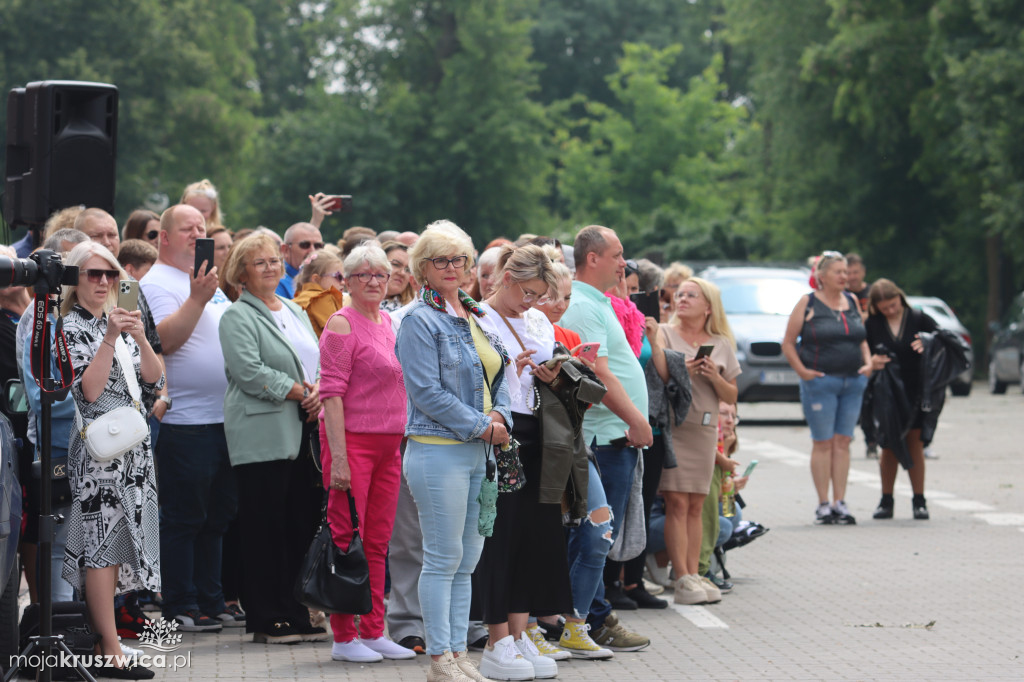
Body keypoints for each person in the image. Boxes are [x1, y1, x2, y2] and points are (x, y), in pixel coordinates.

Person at [395, 221, 513, 682]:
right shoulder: (417, 320)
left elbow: (498, 374)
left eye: (459, 259)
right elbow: (425, 392)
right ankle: (439, 658)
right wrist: (484, 426)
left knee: (467, 561)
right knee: (442, 559)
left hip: (478, 452)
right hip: (438, 450)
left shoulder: (475, 313)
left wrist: (501, 415)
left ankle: (459, 653)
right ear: (422, 268)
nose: (452, 268)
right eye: (440, 260)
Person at [60, 241, 164, 679]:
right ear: (75, 280)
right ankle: (109, 647)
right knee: (101, 549)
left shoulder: (117, 321)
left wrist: (137, 334)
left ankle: (110, 640)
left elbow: (154, 377)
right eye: (93, 274)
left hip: (133, 449)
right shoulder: (69, 326)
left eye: (111, 275)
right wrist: (109, 338)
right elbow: (90, 390)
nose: (104, 283)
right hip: (101, 453)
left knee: (121, 545)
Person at [218, 233, 326, 644]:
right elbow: (249, 371)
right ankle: (266, 616)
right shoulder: (237, 316)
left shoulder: (296, 312)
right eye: (258, 262)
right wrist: (300, 391)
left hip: (303, 432)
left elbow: (313, 359)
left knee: (298, 524)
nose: (270, 267)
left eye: (273, 261)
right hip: (262, 433)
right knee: (264, 527)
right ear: (241, 273)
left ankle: (296, 610)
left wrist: (317, 389)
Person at [140, 204, 239, 632]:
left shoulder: (206, 280)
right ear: (163, 237)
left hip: (222, 419)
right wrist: (198, 298)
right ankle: (180, 603)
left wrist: (205, 292)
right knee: (184, 517)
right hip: (183, 420)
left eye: (202, 228)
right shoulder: (157, 282)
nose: (198, 234)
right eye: (187, 228)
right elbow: (163, 340)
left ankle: (211, 598)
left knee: (217, 516)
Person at [317, 243, 413, 663]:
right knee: (346, 538)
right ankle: (343, 636)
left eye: (381, 274)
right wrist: (338, 457)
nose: (374, 281)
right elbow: (331, 394)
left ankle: (374, 629)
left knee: (378, 540)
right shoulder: (341, 324)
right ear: (349, 281)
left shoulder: (390, 321)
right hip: (351, 442)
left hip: (389, 445)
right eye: (365, 274)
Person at [559, 225, 652, 655]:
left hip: (613, 437)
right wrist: (635, 419)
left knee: (598, 534)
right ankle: (587, 620)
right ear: (591, 258)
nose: (624, 263)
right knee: (591, 534)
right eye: (617, 254)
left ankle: (591, 617)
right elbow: (597, 373)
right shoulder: (580, 304)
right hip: (601, 437)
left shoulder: (599, 301)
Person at [474, 245, 566, 680]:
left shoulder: (538, 320)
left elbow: (541, 373)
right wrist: (514, 366)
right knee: (501, 536)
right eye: (527, 292)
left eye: (539, 295)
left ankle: (518, 631)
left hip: (539, 431)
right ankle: (496, 640)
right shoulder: (477, 316)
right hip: (500, 432)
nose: (531, 302)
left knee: (533, 537)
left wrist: (551, 372)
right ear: (505, 277)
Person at [657, 277, 739, 605]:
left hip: (705, 430)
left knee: (697, 504)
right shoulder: (664, 332)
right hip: (675, 426)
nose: (683, 299)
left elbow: (732, 395)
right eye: (680, 294)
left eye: (692, 295)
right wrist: (683, 369)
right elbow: (657, 376)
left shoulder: (720, 343)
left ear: (708, 307)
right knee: (676, 502)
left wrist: (714, 375)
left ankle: (694, 572)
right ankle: (682, 576)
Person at [782, 251, 871, 525]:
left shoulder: (853, 301)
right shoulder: (807, 303)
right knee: (823, 443)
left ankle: (840, 502)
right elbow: (787, 342)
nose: (845, 277)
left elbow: (861, 338)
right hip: (821, 382)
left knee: (843, 442)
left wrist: (867, 363)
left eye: (846, 272)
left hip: (853, 381)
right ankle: (823, 504)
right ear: (822, 276)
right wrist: (804, 373)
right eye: (839, 272)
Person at [865, 279, 938, 520]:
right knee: (888, 445)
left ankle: (919, 500)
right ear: (876, 307)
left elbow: (943, 341)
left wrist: (928, 343)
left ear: (900, 299)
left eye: (894, 305)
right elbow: (862, 354)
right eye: (885, 308)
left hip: (917, 390)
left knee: (914, 442)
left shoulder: (918, 318)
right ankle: (886, 500)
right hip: (886, 393)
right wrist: (872, 363)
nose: (891, 311)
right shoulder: (872, 324)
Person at [292, 251, 345, 336]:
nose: (343, 282)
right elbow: (337, 334)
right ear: (316, 279)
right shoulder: (322, 298)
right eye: (339, 276)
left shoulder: (298, 298)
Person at [276, 222, 325, 298]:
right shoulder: (274, 282)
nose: (312, 251)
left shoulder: (327, 278)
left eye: (318, 246)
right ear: (285, 250)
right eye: (305, 245)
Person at [381, 241, 415, 312]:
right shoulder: (354, 302)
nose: (402, 273)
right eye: (396, 264)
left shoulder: (411, 312)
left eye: (408, 269)